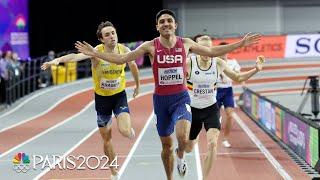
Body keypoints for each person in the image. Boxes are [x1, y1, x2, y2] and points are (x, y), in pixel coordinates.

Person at [75, 9, 261, 180]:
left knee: (183, 135)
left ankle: (181, 157)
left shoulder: (186, 43)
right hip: (161, 101)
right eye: (162, 21)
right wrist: (95, 54)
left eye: (169, 21)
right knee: (166, 146)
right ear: (157, 26)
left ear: (175, 25)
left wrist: (241, 44)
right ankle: (170, 176)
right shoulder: (150, 46)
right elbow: (122, 58)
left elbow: (212, 51)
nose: (166, 23)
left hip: (181, 98)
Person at [41, 21, 140, 180]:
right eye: (107, 35)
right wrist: (57, 61)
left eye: (113, 33)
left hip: (119, 96)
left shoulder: (124, 50)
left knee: (125, 131)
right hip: (102, 100)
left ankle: (128, 131)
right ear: (102, 39)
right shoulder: (95, 52)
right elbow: (75, 56)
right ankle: (114, 171)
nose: (111, 37)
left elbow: (133, 66)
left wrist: (137, 85)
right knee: (107, 139)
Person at [184, 34, 265, 180]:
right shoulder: (189, 63)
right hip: (193, 110)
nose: (207, 52)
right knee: (189, 148)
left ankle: (204, 178)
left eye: (209, 48)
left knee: (213, 144)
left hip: (211, 109)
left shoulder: (218, 63)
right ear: (195, 49)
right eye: (203, 48)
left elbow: (238, 78)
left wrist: (256, 69)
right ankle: (182, 152)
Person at [216, 41, 242, 148]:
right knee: (215, 118)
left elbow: (238, 76)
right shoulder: (214, 62)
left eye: (226, 50)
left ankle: (225, 139)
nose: (224, 52)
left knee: (230, 115)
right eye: (221, 50)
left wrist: (238, 76)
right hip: (216, 91)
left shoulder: (233, 62)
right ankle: (214, 138)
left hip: (228, 91)